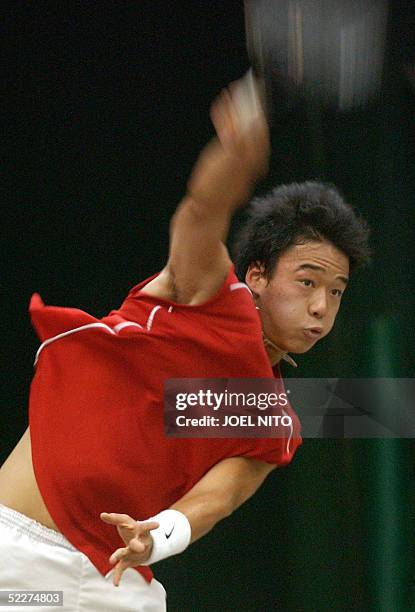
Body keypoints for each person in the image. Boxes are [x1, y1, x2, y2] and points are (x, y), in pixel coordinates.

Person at [0, 79, 369, 611]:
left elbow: (217, 498)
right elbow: (201, 211)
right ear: (258, 276)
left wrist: (158, 535)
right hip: (22, 562)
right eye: (307, 282)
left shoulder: (271, 417)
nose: (321, 307)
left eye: (336, 292)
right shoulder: (205, 296)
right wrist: (234, 161)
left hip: (116, 581)